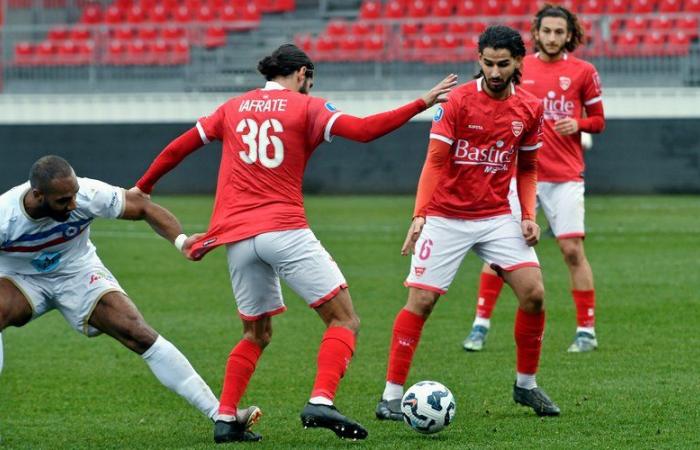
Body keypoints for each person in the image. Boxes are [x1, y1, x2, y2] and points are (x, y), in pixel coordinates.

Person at [132, 43, 456, 443]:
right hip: (284, 229)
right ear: (302, 74)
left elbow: (180, 146)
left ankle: (226, 417)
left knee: (256, 333)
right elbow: (366, 130)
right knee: (344, 319)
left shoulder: (232, 108)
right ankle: (321, 399)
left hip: (238, 240)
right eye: (309, 81)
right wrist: (422, 101)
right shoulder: (307, 107)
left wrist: (143, 187)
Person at [374, 25, 561, 421]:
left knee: (535, 294)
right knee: (421, 302)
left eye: (503, 64)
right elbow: (436, 161)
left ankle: (526, 386)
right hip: (445, 216)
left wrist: (528, 216)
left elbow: (528, 169)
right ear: (479, 60)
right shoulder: (457, 102)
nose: (494, 72)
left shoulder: (530, 108)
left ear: (518, 63)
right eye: (488, 63)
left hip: (497, 216)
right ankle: (390, 397)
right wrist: (420, 214)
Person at [0, 155, 221, 425]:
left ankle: (220, 415)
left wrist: (181, 241)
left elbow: (141, 207)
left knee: (137, 332)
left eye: (74, 195)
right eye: (63, 201)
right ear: (37, 195)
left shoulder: (87, 194)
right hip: (22, 278)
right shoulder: (5, 216)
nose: (73, 204)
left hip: (77, 271)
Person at [462, 4, 605, 354]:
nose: (553, 37)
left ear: (569, 34)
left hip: (565, 176)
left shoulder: (584, 71)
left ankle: (586, 330)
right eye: (547, 31)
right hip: (517, 176)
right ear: (536, 33)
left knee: (572, 250)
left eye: (560, 32)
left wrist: (581, 124)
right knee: (500, 252)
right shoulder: (516, 69)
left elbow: (598, 120)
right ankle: (480, 325)